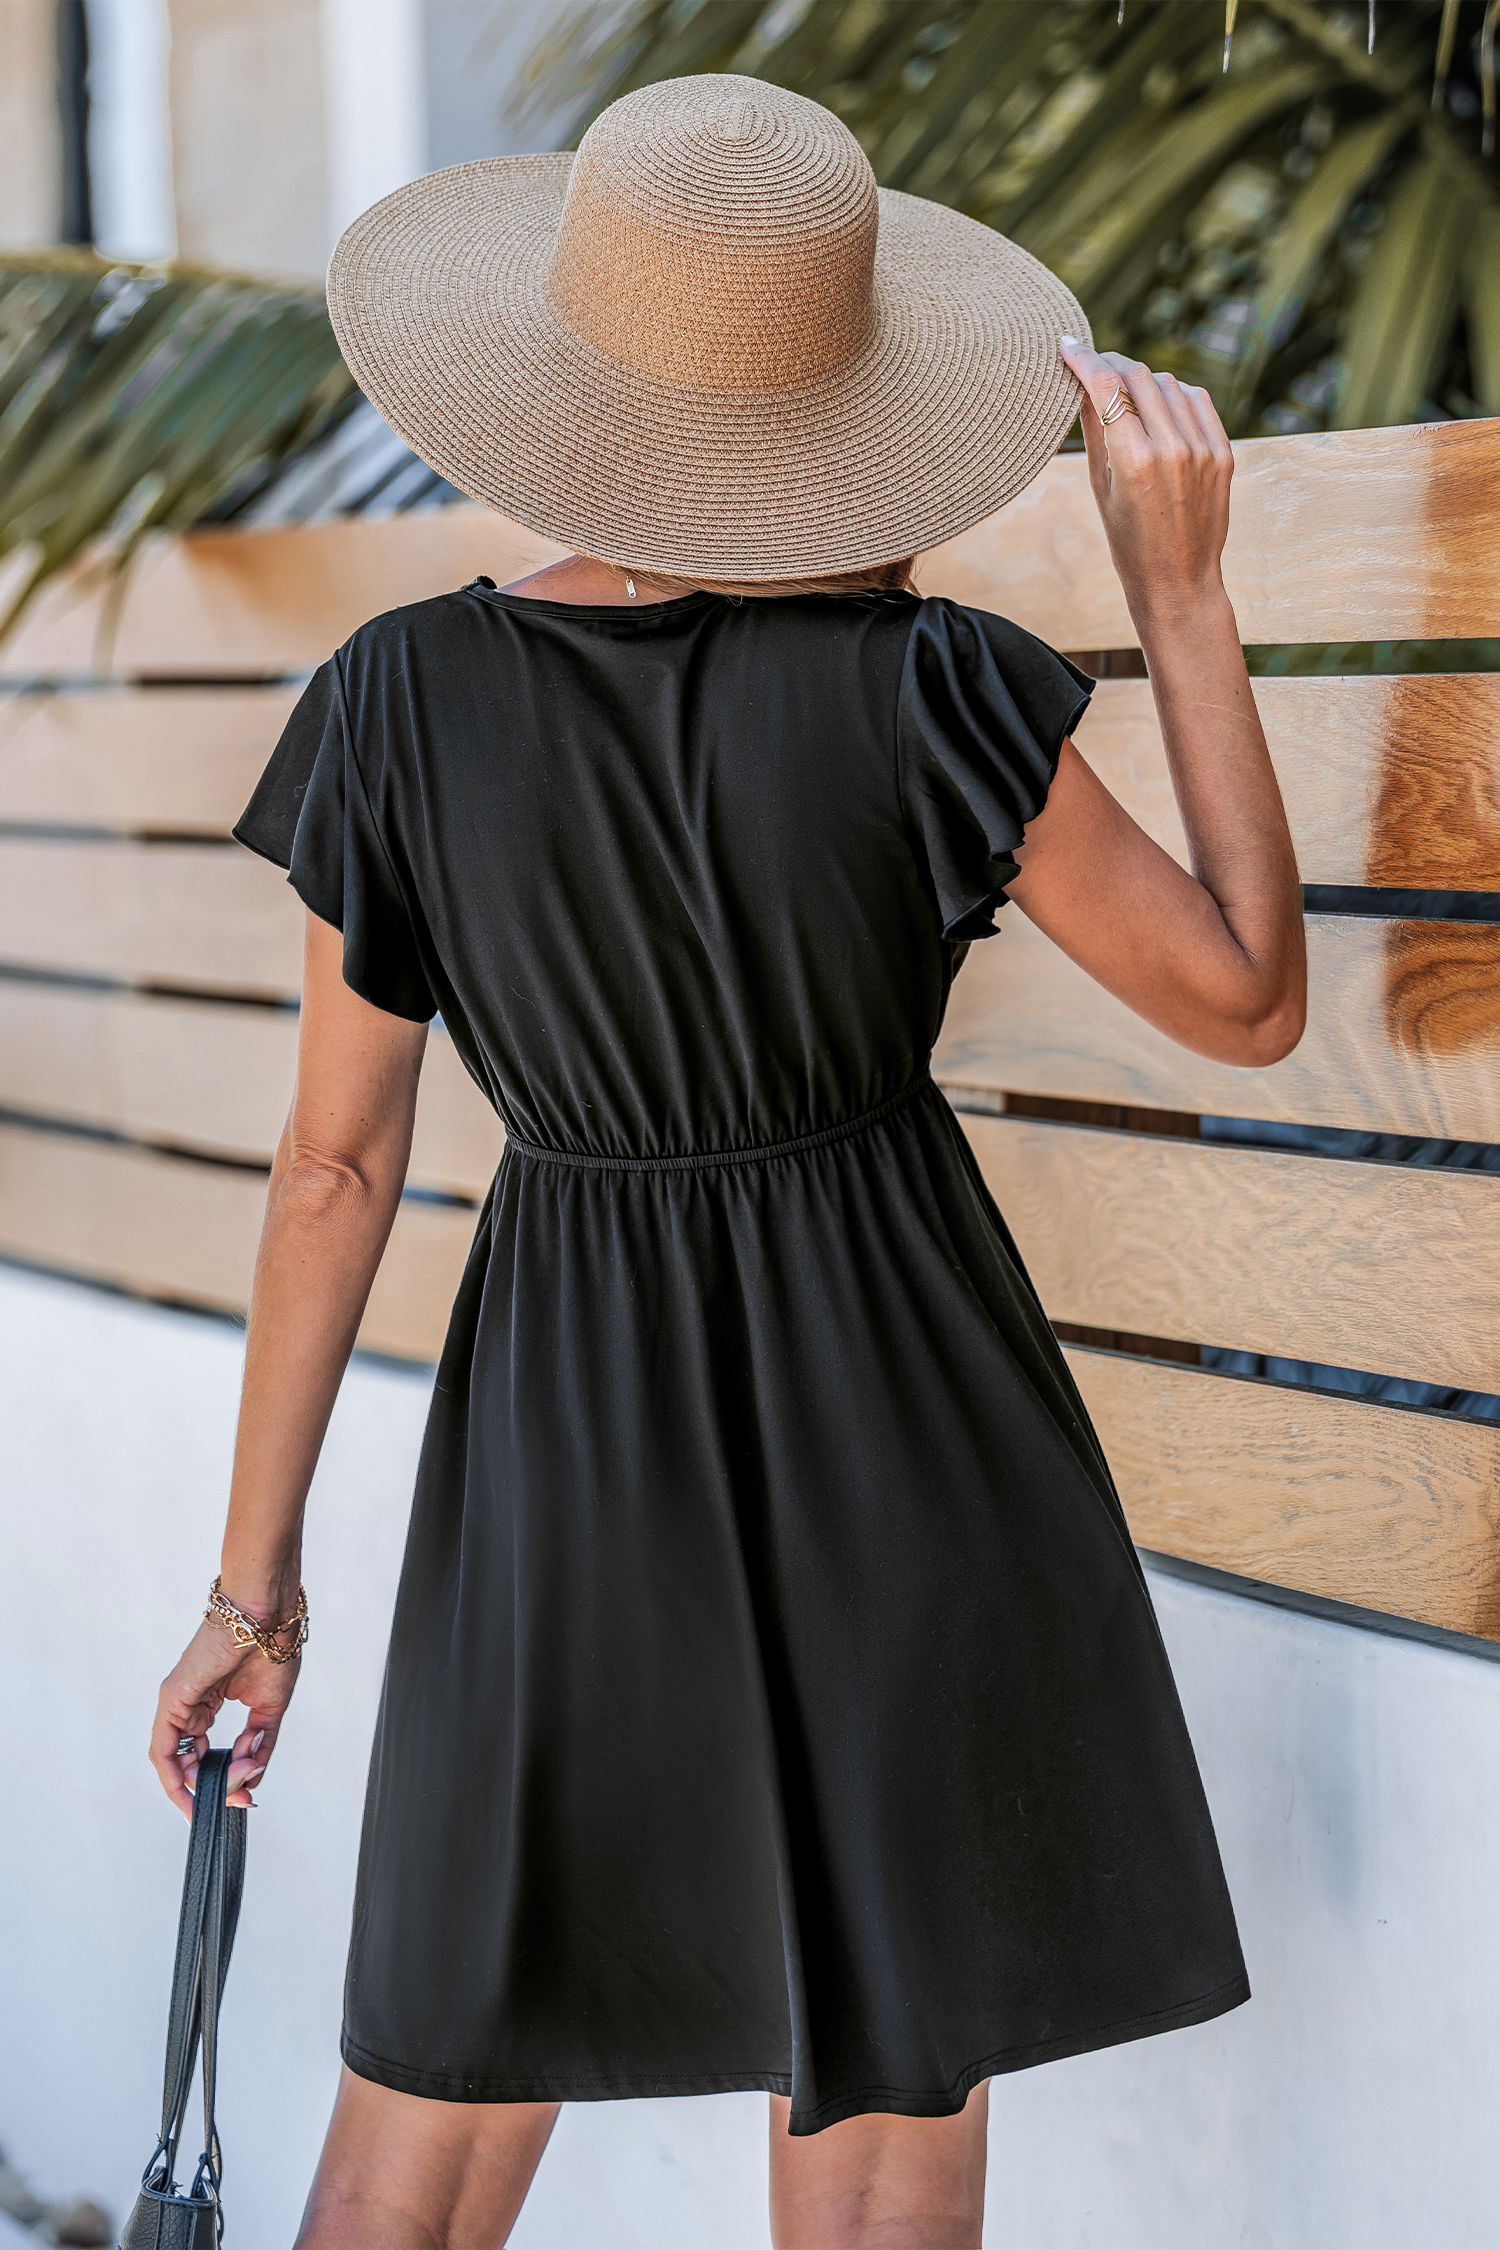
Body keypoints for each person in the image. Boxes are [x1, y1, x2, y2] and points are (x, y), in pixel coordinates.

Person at [149, 75, 1304, 2250]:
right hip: (914, 1436)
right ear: (846, 405)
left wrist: (250, 1594)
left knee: (428, 2119)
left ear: (569, 382)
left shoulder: (400, 701)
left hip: (563, 1455)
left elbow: (332, 1172)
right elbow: (1248, 996)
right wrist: (1180, 590)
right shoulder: (937, 689)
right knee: (880, 2119)